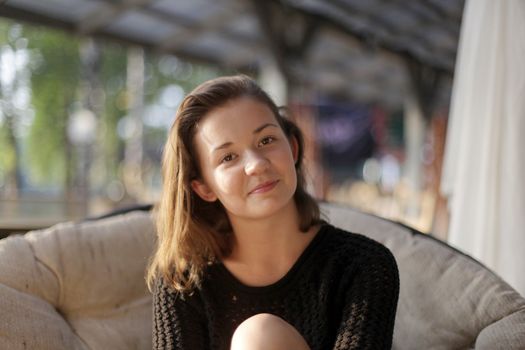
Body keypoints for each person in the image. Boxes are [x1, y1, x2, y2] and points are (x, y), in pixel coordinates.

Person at [147, 75, 399, 350]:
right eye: (228, 157)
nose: (256, 164)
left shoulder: (363, 266)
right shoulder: (183, 281)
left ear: (292, 148)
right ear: (204, 187)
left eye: (266, 140)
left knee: (258, 336)